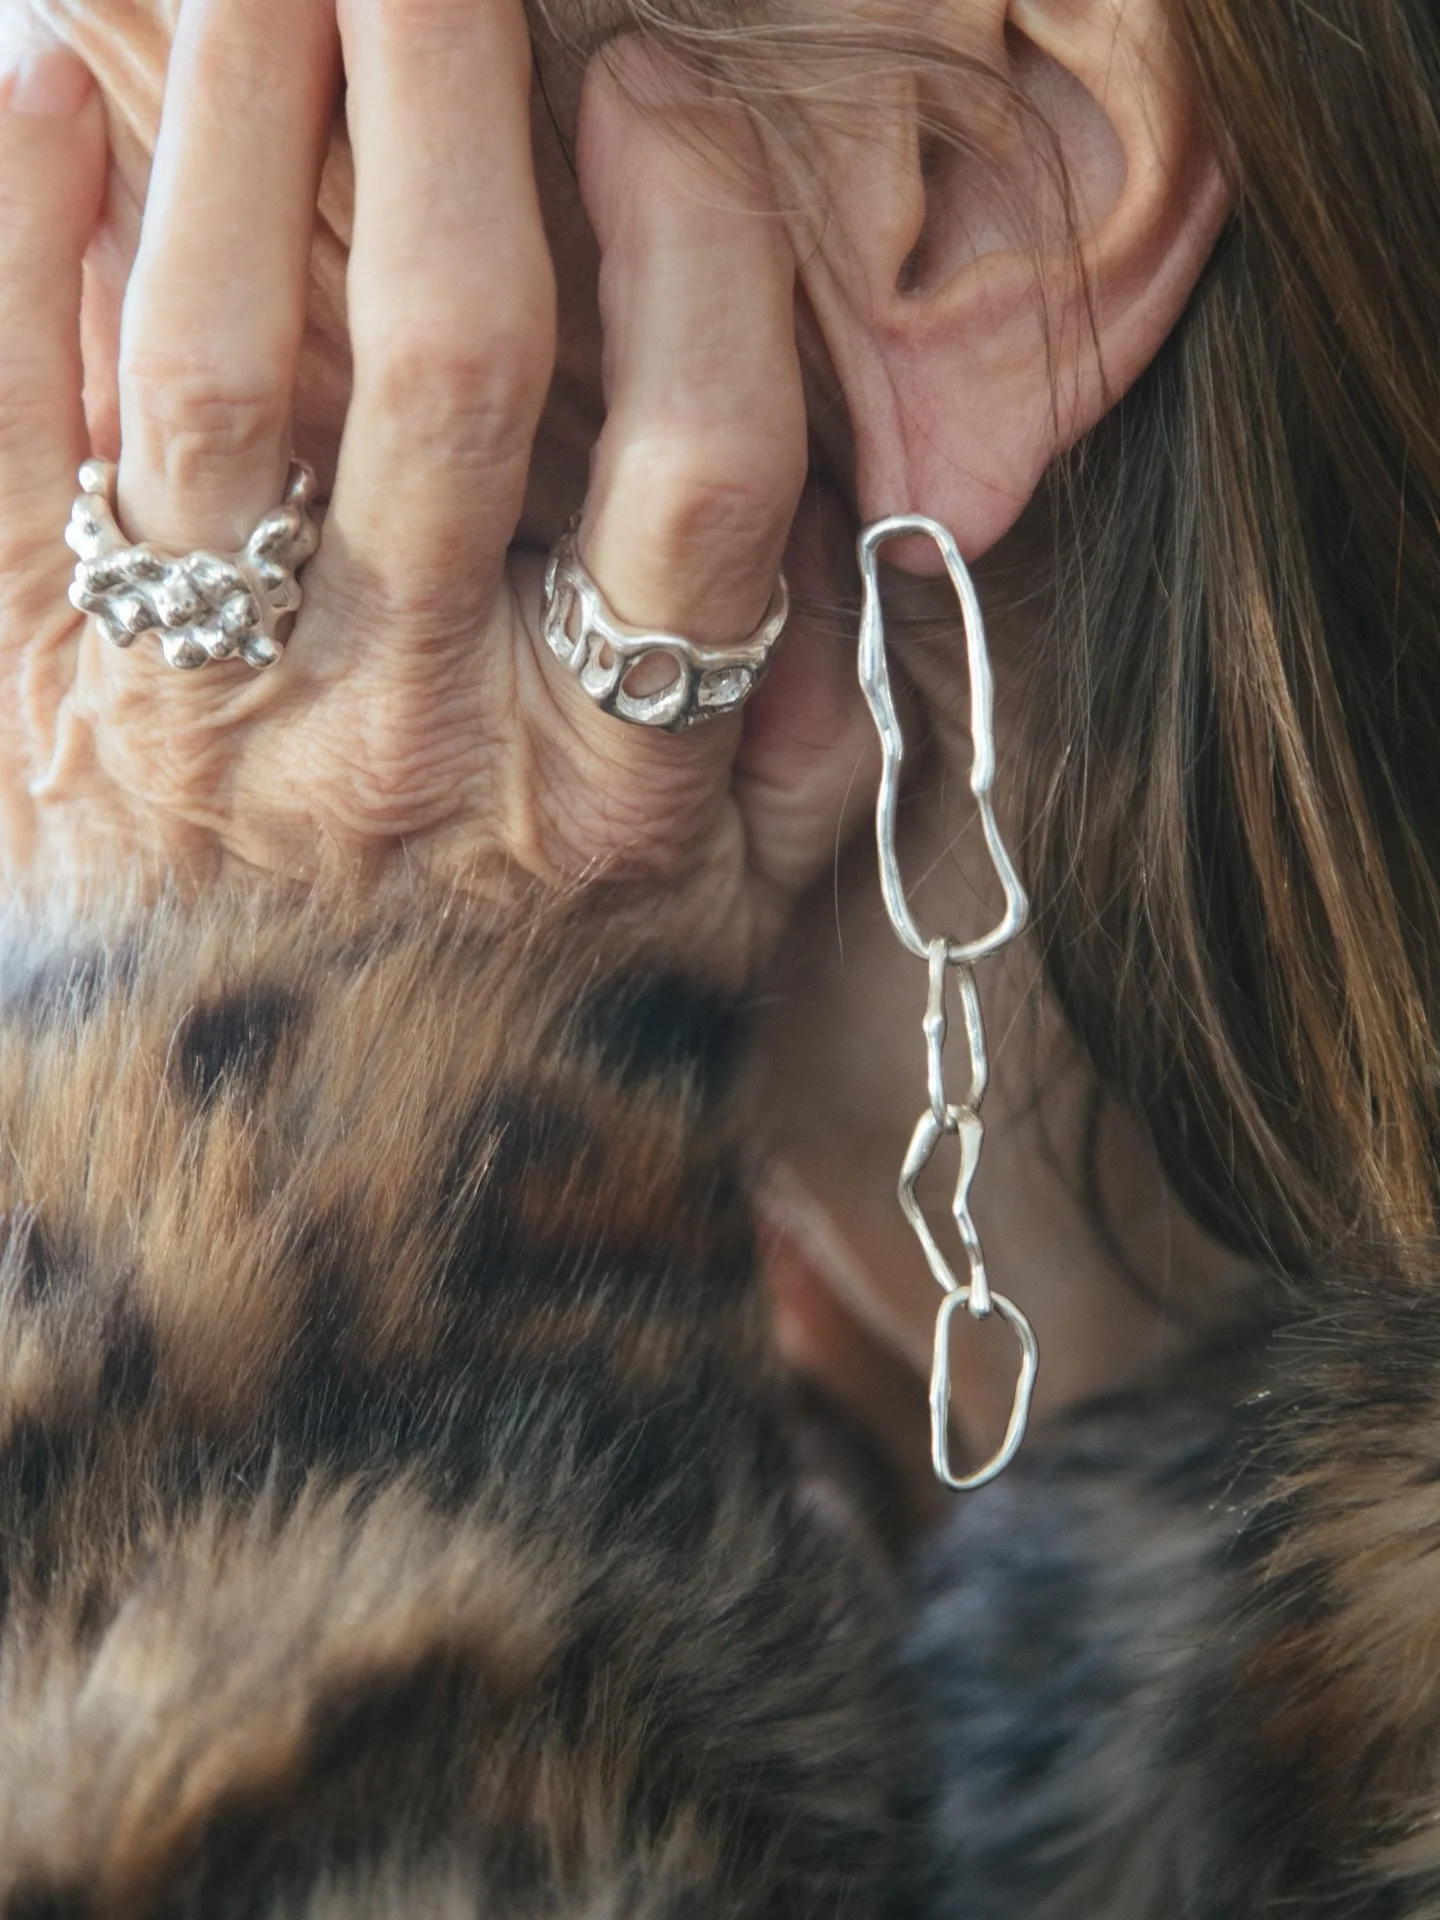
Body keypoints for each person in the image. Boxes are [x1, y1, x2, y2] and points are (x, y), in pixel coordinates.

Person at [0, 0, 1437, 1910]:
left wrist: (268, 1345)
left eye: (124, 59)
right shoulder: (813, 1493)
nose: (65, 259)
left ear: (966, 193)